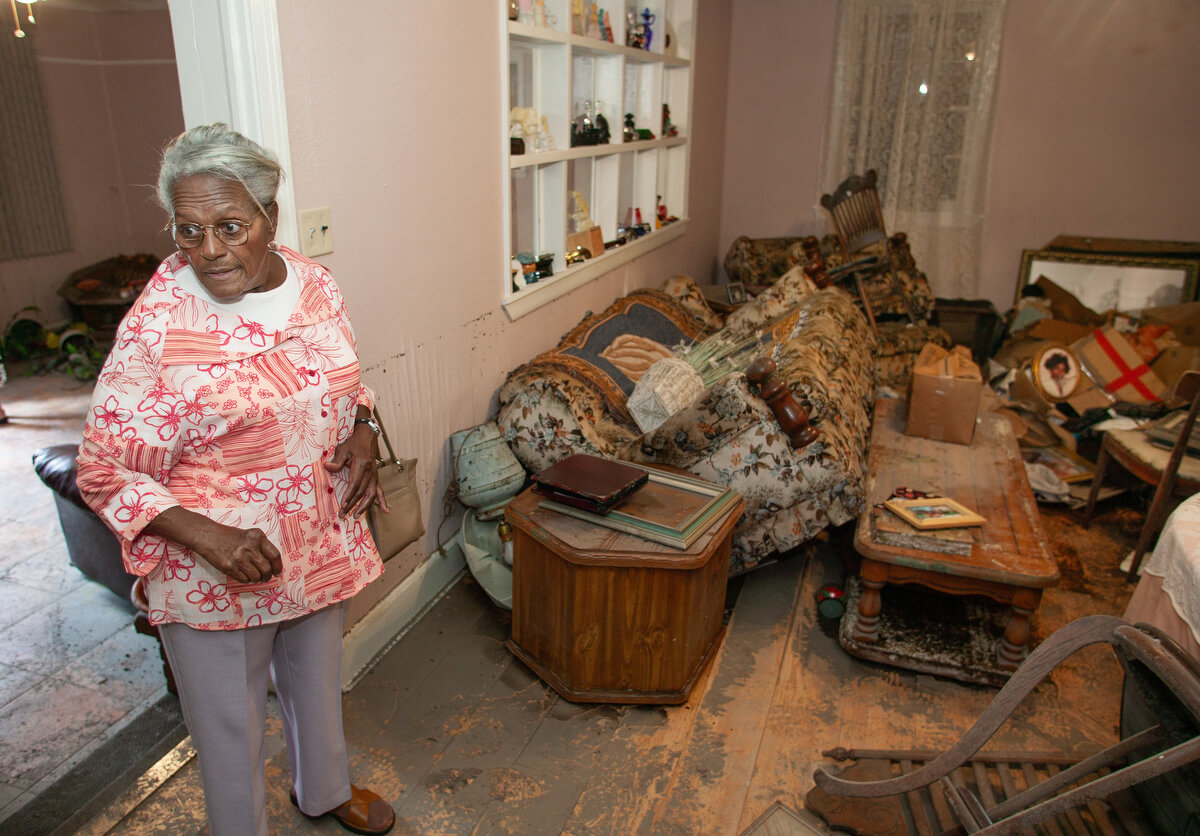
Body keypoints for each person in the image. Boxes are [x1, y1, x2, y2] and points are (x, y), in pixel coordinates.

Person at [76, 124, 395, 836]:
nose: (209, 250)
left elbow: (343, 382)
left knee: (316, 687)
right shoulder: (158, 328)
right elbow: (99, 467)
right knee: (229, 730)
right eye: (190, 230)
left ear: (269, 217)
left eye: (230, 225)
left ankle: (324, 791)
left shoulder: (314, 284)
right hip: (213, 568)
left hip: (316, 540)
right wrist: (208, 536)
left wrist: (365, 430)